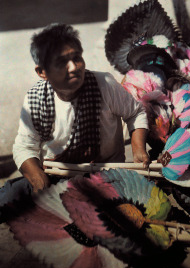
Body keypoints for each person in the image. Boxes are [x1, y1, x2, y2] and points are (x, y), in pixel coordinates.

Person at [0, 23, 150, 212]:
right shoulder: (34, 99)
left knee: (134, 207)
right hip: (57, 176)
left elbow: (135, 113)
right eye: (61, 62)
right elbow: (24, 147)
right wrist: (38, 178)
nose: (73, 67)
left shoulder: (104, 84)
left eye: (76, 58)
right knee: (11, 197)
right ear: (42, 72)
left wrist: (138, 149)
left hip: (107, 174)